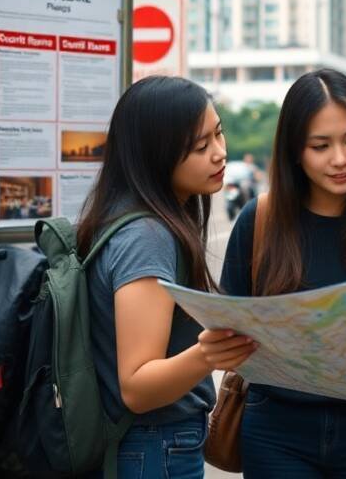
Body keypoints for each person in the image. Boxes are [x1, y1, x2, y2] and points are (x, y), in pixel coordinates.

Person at [200, 68, 346, 479]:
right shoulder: (260, 221)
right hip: (276, 434)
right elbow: (231, 331)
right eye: (320, 146)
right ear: (295, 150)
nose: (341, 159)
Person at [76, 76, 255, 478]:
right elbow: (138, 387)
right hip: (153, 446)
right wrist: (213, 351)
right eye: (199, 147)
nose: (219, 154)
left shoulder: (124, 216)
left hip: (147, 445)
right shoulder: (148, 236)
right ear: (156, 155)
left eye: (219, 134)